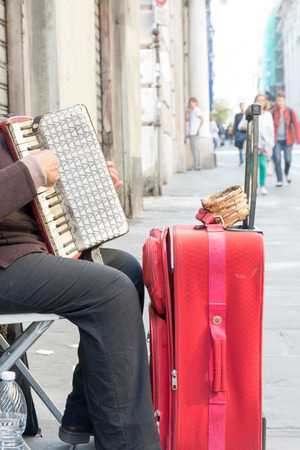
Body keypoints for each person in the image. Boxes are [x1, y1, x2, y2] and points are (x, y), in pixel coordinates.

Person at [0, 117, 162, 450]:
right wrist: (30, 172)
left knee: (127, 270)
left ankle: (84, 414)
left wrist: (88, 183)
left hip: (29, 247)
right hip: (7, 260)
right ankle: (128, 444)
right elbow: (21, 180)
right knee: (111, 293)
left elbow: (29, 203)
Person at [238, 94, 274, 195]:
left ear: (265, 102)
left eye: (262, 100)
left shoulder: (268, 115)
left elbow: (271, 131)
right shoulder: (251, 113)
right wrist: (250, 128)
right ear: (255, 101)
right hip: (252, 143)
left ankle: (262, 186)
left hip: (264, 145)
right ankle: (255, 186)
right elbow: (240, 126)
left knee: (262, 165)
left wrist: (271, 144)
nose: (260, 102)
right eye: (258, 100)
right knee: (251, 167)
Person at [270, 91, 300, 187]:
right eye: (278, 100)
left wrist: (298, 139)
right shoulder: (273, 112)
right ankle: (279, 180)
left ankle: (286, 172)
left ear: (284, 100)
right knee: (277, 160)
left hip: (288, 140)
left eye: (281, 100)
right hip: (276, 141)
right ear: (276, 101)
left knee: (288, 159)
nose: (279, 102)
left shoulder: (290, 111)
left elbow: (295, 125)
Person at [185, 97, 204, 170]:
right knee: (194, 149)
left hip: (194, 132)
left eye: (192, 102)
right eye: (190, 102)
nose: (191, 103)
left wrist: (198, 129)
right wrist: (187, 111)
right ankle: (196, 165)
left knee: (195, 149)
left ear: (196, 103)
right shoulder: (192, 111)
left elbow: (202, 119)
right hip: (191, 132)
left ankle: (197, 165)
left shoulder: (197, 110)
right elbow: (187, 119)